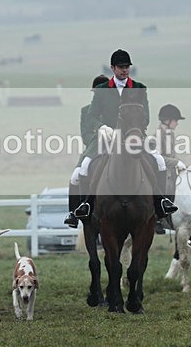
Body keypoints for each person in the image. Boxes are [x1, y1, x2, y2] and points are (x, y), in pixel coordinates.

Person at [63, 49, 178, 227]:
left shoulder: (139, 88)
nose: (125, 70)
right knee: (81, 171)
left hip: (135, 136)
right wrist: (101, 127)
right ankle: (83, 207)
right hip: (106, 138)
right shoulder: (102, 90)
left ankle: (161, 203)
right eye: (121, 67)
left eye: (127, 67)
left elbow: (145, 116)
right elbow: (92, 116)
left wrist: (136, 131)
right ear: (113, 68)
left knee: (160, 161)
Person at [63, 74, 109, 228]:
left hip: (118, 147)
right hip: (94, 149)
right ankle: (74, 213)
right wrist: (99, 141)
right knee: (76, 176)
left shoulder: (116, 110)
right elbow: (86, 135)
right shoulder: (86, 111)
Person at [152, 104, 185, 234]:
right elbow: (159, 156)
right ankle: (158, 218)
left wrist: (182, 164)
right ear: (168, 120)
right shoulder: (159, 135)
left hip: (169, 170)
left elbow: (172, 154)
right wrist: (176, 162)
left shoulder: (169, 133)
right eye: (176, 120)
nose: (177, 124)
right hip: (160, 171)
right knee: (167, 187)